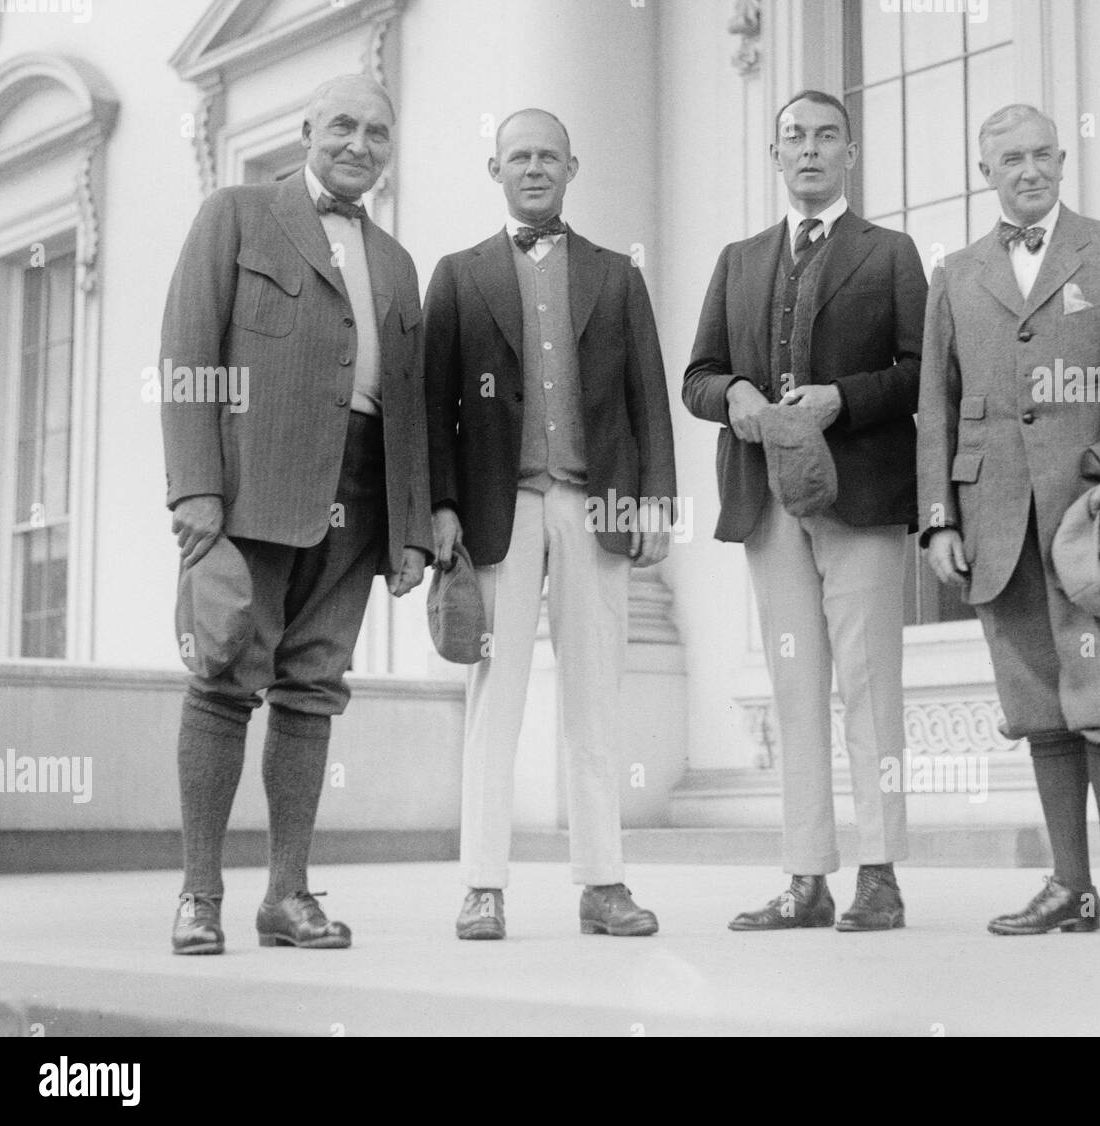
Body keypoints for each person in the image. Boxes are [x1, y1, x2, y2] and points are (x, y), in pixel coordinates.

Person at [917, 104, 1100, 936]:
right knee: (1039, 704)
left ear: (1062, 161)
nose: (1030, 170)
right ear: (986, 172)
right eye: (1012, 158)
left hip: (1099, 522)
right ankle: (1069, 889)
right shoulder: (956, 274)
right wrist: (939, 519)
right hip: (997, 525)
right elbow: (933, 408)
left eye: (1044, 154)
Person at [160, 74, 431, 954]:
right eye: (343, 125)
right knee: (224, 677)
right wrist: (196, 487)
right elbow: (188, 352)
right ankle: (200, 896)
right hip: (252, 490)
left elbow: (411, 405)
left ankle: (287, 896)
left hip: (358, 500)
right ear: (306, 127)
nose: (359, 144)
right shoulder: (235, 214)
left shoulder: (396, 262)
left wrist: (415, 528)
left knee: (312, 691)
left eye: (378, 133)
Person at [422, 108, 677, 940]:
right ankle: (482, 886)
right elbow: (435, 408)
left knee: (595, 699)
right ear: (494, 170)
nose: (534, 169)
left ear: (574, 167)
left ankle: (603, 884)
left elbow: (649, 398)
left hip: (595, 504)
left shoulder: (615, 274)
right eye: (518, 157)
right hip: (500, 512)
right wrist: (441, 506)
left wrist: (656, 503)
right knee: (496, 700)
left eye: (548, 157)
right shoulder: (459, 276)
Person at [684, 90, 927, 933]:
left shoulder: (891, 253)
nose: (811, 151)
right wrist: (738, 392)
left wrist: (843, 400)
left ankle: (881, 873)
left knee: (870, 688)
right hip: (768, 502)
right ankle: (805, 878)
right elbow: (697, 376)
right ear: (776, 155)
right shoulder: (739, 260)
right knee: (795, 692)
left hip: (861, 497)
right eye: (796, 138)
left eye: (828, 137)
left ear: (850, 154)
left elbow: (922, 372)